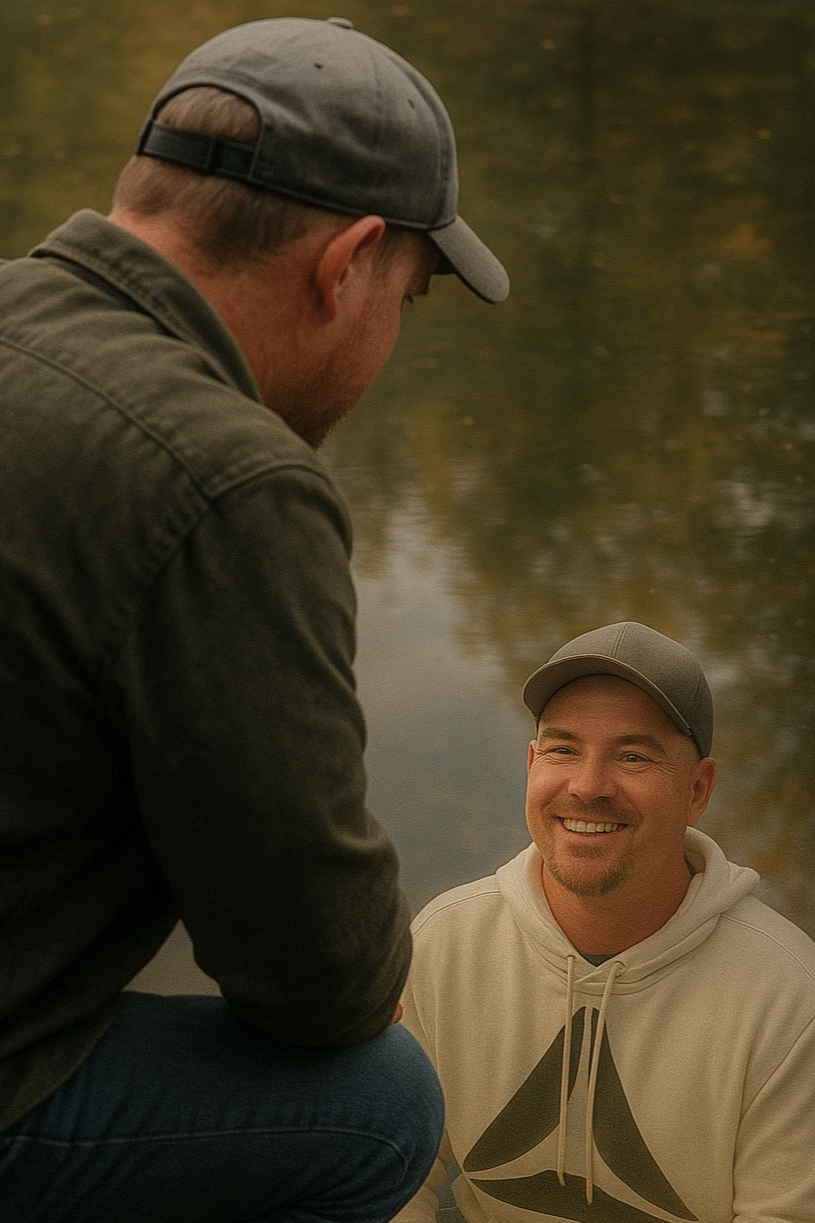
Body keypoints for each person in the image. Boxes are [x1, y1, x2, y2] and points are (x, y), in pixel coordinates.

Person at [0, 17, 510, 1223]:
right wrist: (366, 968)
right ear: (348, 264)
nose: (386, 337)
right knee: (376, 1101)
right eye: (409, 296)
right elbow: (316, 972)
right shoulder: (231, 481)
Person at [396, 622, 815, 1223]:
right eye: (563, 749)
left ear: (698, 790)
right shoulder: (443, 944)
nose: (588, 786)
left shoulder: (792, 1002)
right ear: (532, 763)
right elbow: (385, 1179)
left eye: (633, 756)